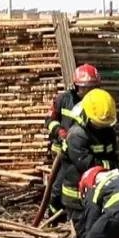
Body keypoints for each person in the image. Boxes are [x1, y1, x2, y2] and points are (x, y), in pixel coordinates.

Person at [59, 88, 119, 238]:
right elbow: (89, 165)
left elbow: (114, 159)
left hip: (101, 190)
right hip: (77, 194)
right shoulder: (77, 135)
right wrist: (110, 168)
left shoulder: (108, 132)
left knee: (109, 231)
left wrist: (114, 169)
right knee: (86, 233)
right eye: (98, 123)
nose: (102, 127)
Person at [44, 64, 101, 216]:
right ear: (76, 86)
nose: (88, 92)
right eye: (85, 88)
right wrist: (59, 131)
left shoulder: (99, 102)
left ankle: (77, 213)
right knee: (58, 186)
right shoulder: (64, 99)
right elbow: (49, 120)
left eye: (92, 88)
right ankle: (54, 215)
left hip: (85, 152)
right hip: (64, 153)